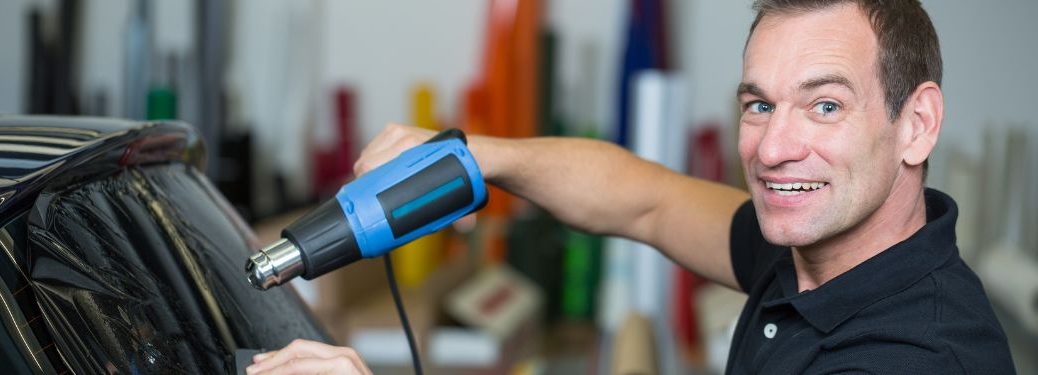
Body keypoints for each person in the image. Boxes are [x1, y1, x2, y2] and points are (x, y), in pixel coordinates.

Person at [246, 0, 1016, 373]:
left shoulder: (917, 355)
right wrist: (476, 156)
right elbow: (642, 197)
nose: (776, 147)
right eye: (758, 104)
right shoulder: (816, 252)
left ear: (917, 124)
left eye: (825, 104)